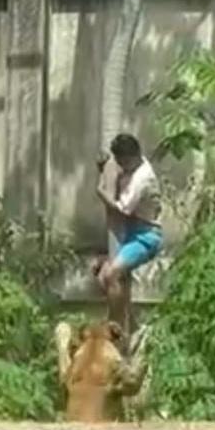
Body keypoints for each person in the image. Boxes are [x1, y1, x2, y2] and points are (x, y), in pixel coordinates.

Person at [94, 133, 163, 348]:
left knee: (112, 274)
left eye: (123, 162)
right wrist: (104, 169)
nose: (121, 167)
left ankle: (114, 329)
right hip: (130, 230)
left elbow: (121, 209)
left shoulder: (142, 179)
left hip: (146, 236)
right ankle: (132, 326)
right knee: (101, 275)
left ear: (134, 156)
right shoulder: (132, 165)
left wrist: (100, 190)